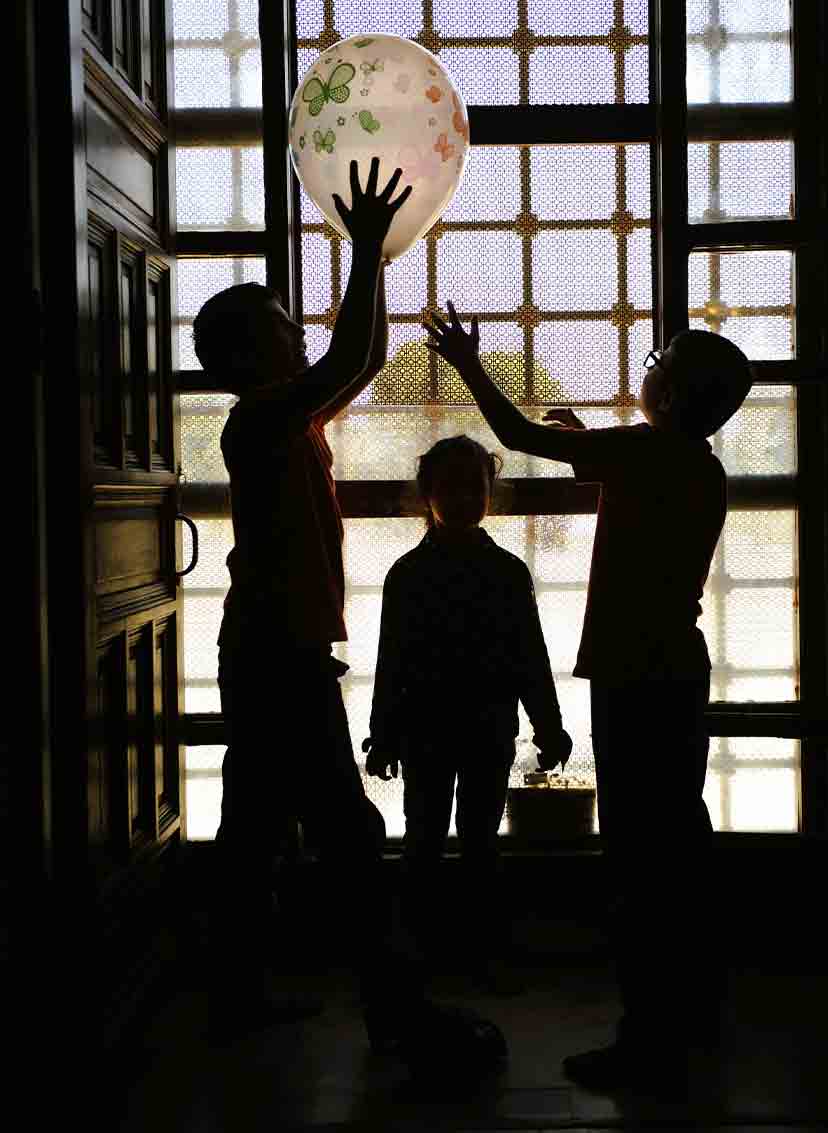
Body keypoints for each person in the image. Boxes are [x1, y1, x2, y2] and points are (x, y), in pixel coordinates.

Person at [422, 303, 752, 1092]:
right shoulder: (695, 463)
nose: (647, 366)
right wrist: (585, 439)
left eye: (657, 360)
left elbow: (522, 441)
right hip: (675, 665)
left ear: (668, 397)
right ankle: (696, 1009)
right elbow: (611, 468)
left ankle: (646, 1040)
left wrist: (468, 364)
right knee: (677, 838)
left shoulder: (645, 451)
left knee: (636, 858)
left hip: (633, 674)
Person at [191, 157, 413, 1040]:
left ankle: (239, 997)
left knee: (255, 829)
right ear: (251, 355)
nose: (299, 337)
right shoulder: (259, 419)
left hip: (274, 651)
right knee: (343, 834)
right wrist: (360, 251)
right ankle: (391, 1008)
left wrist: (377, 262)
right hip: (279, 656)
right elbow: (347, 354)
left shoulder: (292, 418)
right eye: (286, 329)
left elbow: (364, 355)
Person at [363, 434, 573, 993]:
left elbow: (529, 654)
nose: (462, 497)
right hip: (478, 724)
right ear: (428, 493)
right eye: (452, 487)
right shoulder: (500, 571)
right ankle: (470, 952)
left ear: (487, 493)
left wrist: (384, 734)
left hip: (436, 727)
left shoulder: (411, 573)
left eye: (471, 486)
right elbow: (527, 656)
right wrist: (547, 726)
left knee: (439, 837)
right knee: (458, 838)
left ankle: (427, 955)